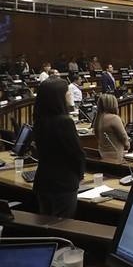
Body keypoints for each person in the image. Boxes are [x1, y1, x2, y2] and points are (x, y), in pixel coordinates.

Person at [32, 77, 86, 218]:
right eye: (67, 91)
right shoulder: (64, 122)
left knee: (45, 223)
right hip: (63, 183)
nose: (70, 94)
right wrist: (80, 174)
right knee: (62, 225)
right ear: (58, 96)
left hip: (43, 181)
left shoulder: (39, 120)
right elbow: (77, 154)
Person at [94, 94, 130, 160]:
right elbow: (124, 137)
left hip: (103, 153)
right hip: (115, 154)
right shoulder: (114, 118)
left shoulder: (98, 118)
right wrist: (128, 146)